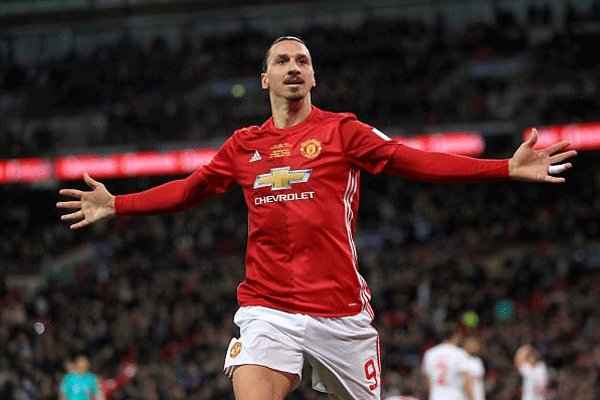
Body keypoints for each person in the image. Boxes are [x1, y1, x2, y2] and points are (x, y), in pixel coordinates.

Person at [57, 36, 576, 400]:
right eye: (282, 60)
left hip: (340, 313)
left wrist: (503, 167)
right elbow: (189, 190)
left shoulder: (343, 132)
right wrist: (116, 203)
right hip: (267, 308)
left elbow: (416, 161)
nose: (293, 67)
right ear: (265, 78)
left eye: (302, 61)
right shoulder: (243, 145)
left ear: (312, 77)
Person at [422, 326, 474, 400]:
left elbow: (426, 380)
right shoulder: (460, 353)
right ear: (455, 336)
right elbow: (466, 380)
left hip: (436, 396)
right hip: (455, 396)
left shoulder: (430, 353)